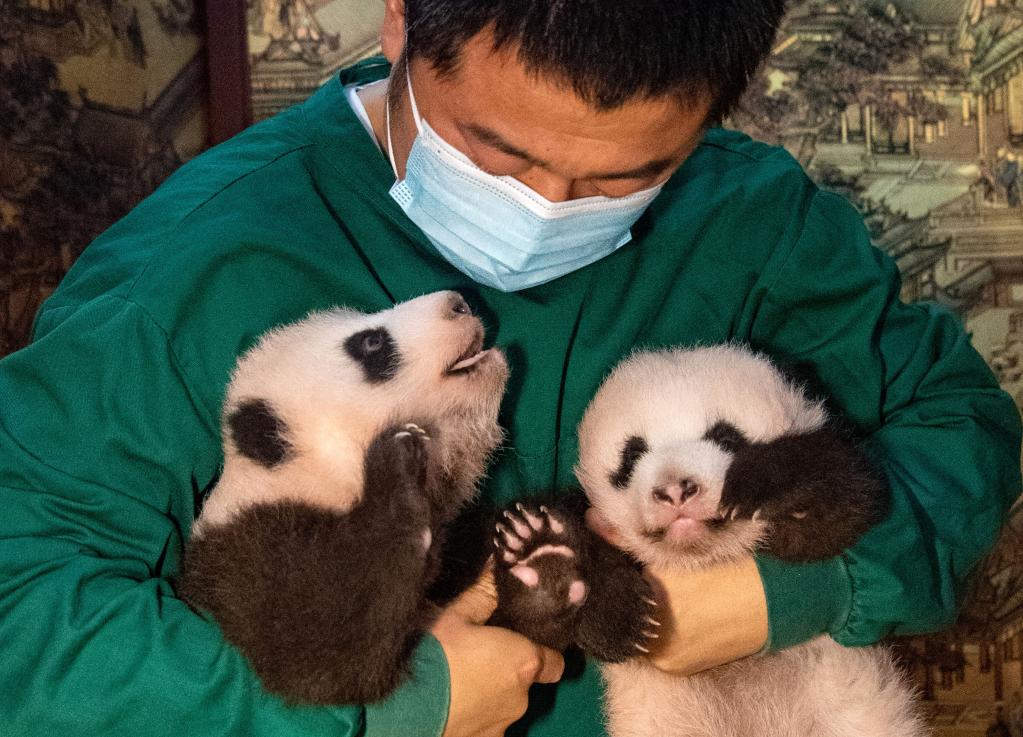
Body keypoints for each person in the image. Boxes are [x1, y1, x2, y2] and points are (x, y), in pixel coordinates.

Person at [0, 1, 1019, 736]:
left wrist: (795, 590)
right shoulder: (196, 265)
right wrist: (385, 711)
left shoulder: (753, 221)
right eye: (495, 154)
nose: (548, 203)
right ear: (400, 20)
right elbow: (23, 615)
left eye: (626, 177)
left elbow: (956, 428)